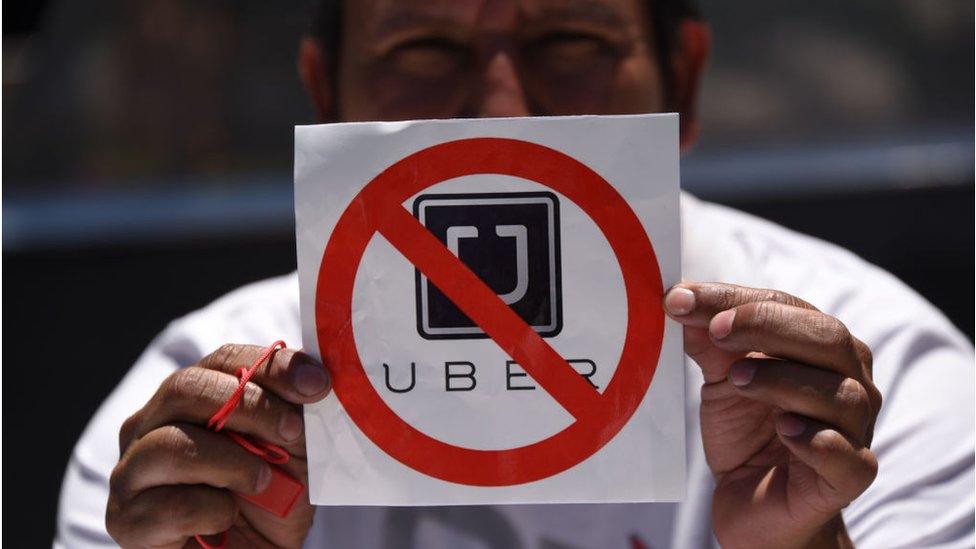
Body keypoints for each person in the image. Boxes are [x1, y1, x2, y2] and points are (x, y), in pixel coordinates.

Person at [57, 1, 974, 548]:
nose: (504, 106)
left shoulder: (886, 377)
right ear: (325, 94)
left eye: (570, 36)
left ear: (683, 83)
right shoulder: (200, 427)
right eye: (423, 48)